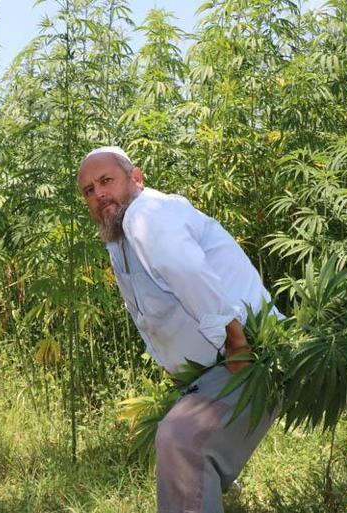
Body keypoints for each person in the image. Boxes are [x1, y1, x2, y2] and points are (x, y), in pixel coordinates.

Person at [77, 146, 280, 513]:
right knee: (185, 445)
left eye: (106, 181)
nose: (99, 194)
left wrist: (237, 344)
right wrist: (175, 369)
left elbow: (189, 273)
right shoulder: (119, 238)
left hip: (251, 353)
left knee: (181, 440)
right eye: (89, 190)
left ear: (136, 178)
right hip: (215, 367)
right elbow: (150, 312)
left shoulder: (145, 216)